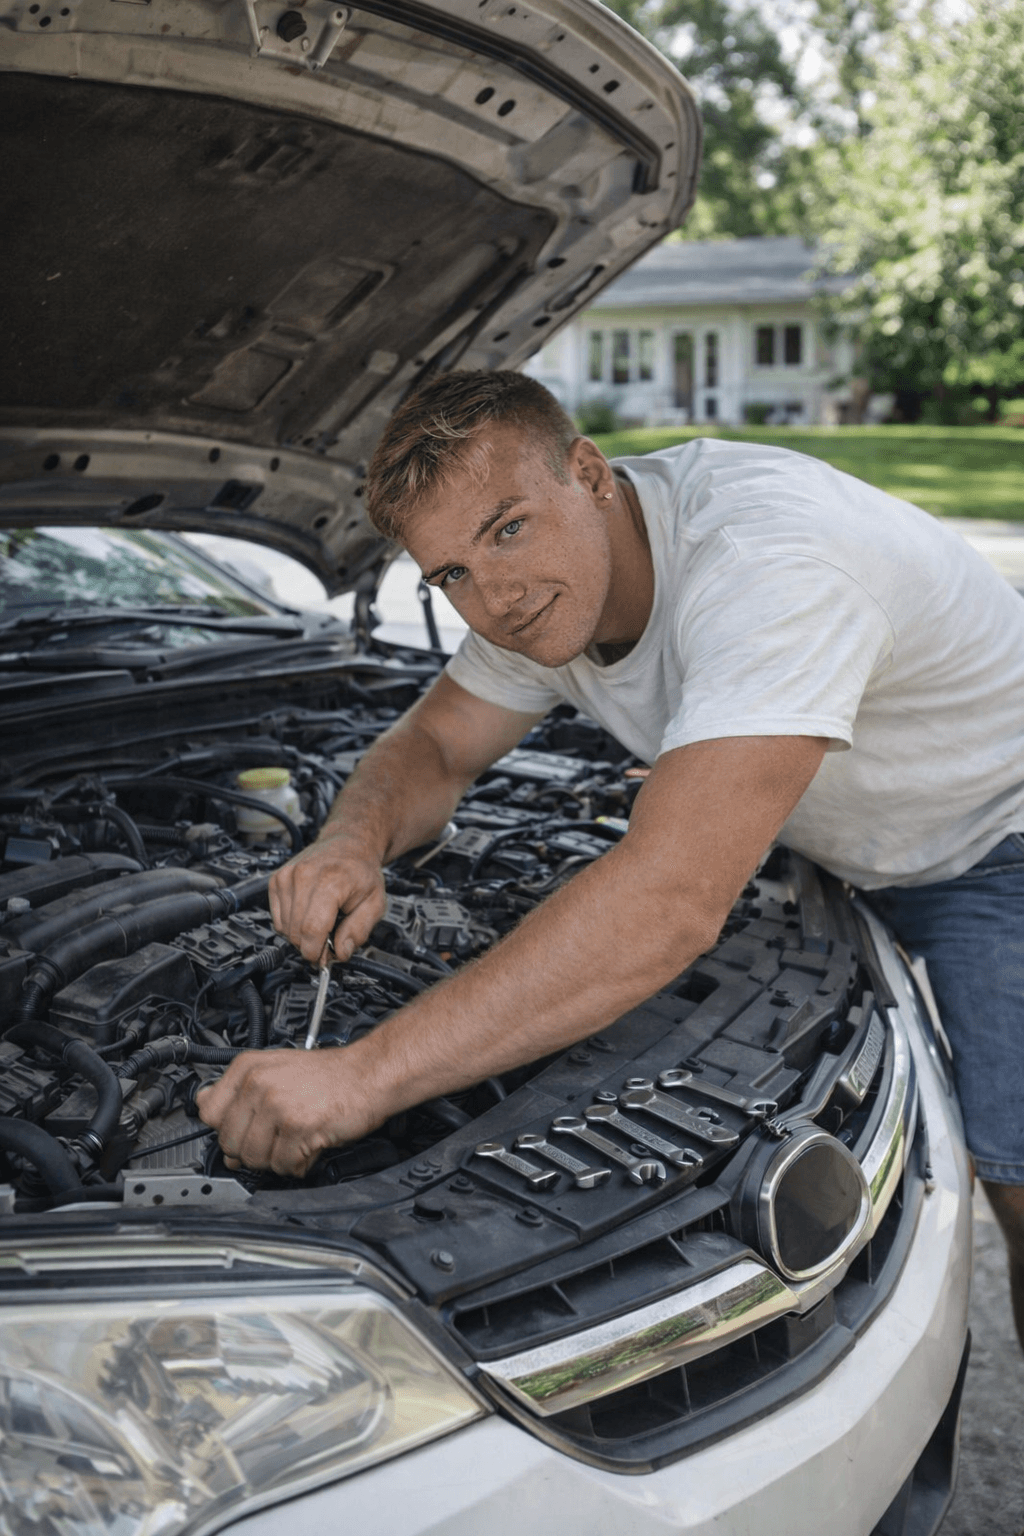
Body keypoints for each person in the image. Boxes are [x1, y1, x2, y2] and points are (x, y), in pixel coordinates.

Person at [197, 370, 1024, 1349]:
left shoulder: (769, 562)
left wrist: (362, 1076)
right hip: (844, 839)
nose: (494, 598)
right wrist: (350, 841)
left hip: (994, 837)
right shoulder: (536, 599)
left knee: (1011, 1171)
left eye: (508, 528)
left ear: (588, 473)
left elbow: (669, 902)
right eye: (449, 575)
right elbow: (434, 746)